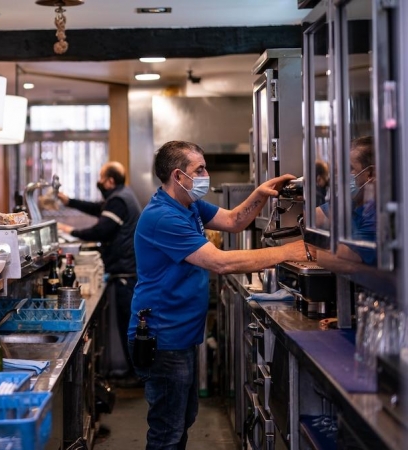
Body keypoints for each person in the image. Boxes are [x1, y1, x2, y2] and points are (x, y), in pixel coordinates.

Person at [129, 141, 311, 450]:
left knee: (181, 421)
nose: (205, 175)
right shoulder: (163, 217)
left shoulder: (188, 205)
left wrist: (259, 193)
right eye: (198, 170)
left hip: (181, 335)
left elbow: (232, 221)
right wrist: (289, 252)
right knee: (167, 432)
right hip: (163, 339)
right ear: (178, 176)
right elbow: (220, 262)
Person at [57, 161, 141, 379]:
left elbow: (102, 230)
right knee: (128, 327)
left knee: (129, 328)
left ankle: (135, 376)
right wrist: (69, 201)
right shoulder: (119, 196)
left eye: (101, 178)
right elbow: (97, 208)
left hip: (126, 274)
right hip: (126, 272)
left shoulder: (120, 201)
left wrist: (70, 230)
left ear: (110, 181)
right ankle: (135, 373)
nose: (99, 183)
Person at [316, 136, 375, 265]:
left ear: (370, 174)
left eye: (349, 169)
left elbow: (345, 256)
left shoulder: (375, 213)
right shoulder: (351, 203)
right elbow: (313, 218)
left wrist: (308, 249)